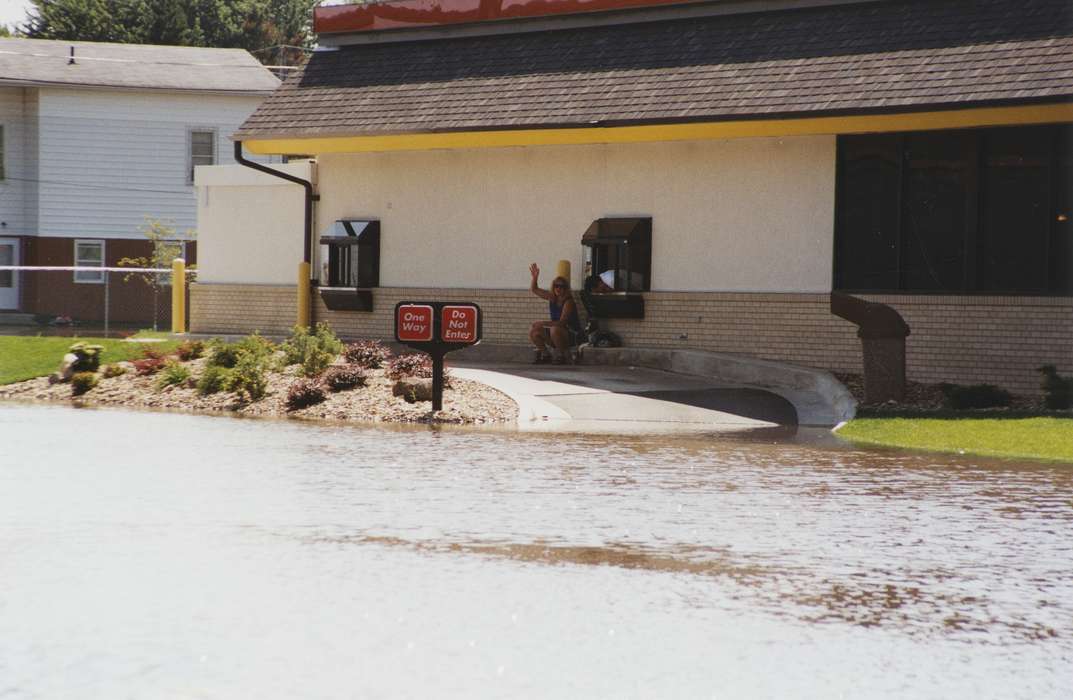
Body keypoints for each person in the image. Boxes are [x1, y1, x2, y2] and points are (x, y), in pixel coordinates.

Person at [528, 263, 581, 364]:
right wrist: (535, 277)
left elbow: (561, 323)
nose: (558, 288)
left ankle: (562, 355)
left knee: (554, 328)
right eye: (556, 286)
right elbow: (535, 289)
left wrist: (543, 323)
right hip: (555, 335)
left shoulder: (568, 302)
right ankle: (545, 355)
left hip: (571, 335)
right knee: (534, 330)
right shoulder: (552, 297)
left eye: (561, 286)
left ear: (566, 288)